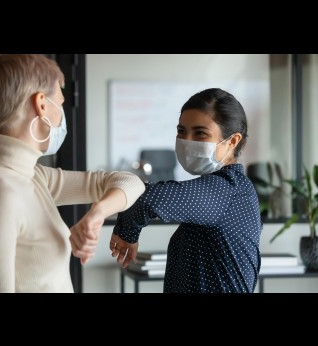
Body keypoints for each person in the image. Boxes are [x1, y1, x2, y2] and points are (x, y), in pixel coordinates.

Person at [0, 54, 145, 293]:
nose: (61, 114)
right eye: (59, 103)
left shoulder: (32, 176)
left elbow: (131, 182)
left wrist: (97, 213)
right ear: (41, 104)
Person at [109, 88, 263, 293]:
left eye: (200, 133)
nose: (187, 140)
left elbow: (145, 199)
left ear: (233, 141)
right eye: (181, 131)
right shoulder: (230, 189)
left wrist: (126, 233)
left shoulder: (227, 189)